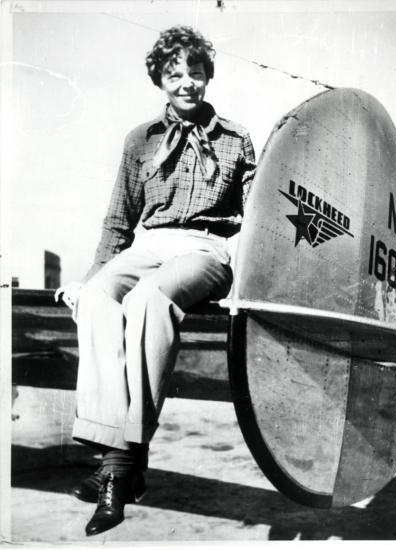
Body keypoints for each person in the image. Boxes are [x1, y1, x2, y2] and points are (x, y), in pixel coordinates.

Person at [56, 25, 256, 537]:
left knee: (149, 299)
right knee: (99, 296)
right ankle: (114, 453)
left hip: (204, 251)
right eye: (174, 74)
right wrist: (86, 277)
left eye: (195, 71)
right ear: (160, 81)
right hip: (150, 245)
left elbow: (259, 222)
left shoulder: (237, 139)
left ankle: (119, 469)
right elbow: (117, 223)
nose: (186, 82)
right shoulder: (139, 140)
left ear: (207, 75)